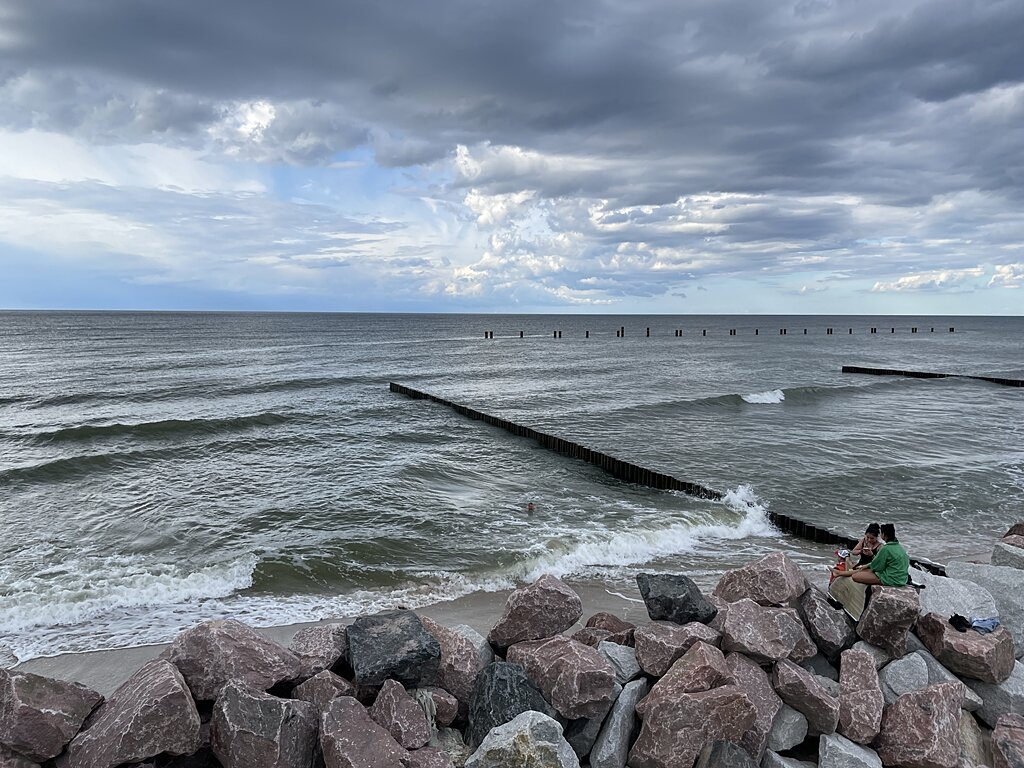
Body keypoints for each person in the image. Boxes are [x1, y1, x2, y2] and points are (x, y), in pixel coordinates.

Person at [830, 523, 909, 586]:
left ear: (884, 535)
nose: (869, 540)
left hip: (891, 579)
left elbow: (877, 567)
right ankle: (839, 573)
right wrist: (864, 560)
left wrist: (870, 558)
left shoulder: (884, 548)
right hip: (901, 578)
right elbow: (879, 564)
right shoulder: (899, 547)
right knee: (861, 569)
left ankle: (839, 573)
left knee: (855, 576)